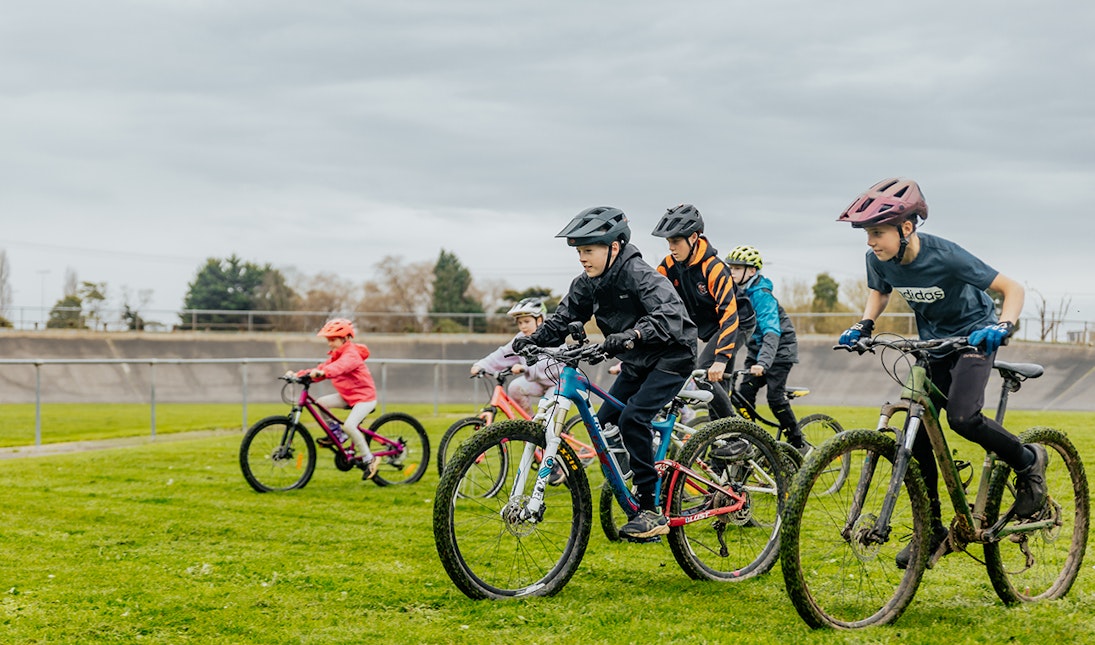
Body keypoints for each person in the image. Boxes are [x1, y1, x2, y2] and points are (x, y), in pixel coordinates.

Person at [836, 177, 1044, 569]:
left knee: (963, 418)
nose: (870, 242)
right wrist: (864, 324)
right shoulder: (878, 259)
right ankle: (930, 527)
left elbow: (1011, 288)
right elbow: (879, 291)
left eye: (877, 233)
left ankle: (1028, 460)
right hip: (931, 346)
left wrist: (1003, 326)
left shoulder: (945, 255)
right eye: (867, 234)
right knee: (915, 433)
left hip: (973, 341)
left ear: (907, 228)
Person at [513, 206, 697, 540]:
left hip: (672, 355)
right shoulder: (587, 284)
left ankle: (649, 508)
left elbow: (669, 315)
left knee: (633, 420)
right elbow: (561, 320)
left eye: (589, 250)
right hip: (637, 359)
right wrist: (532, 340)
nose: (582, 258)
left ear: (614, 247)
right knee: (606, 420)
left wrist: (632, 335)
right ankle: (643, 473)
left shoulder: (639, 274)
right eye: (579, 251)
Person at [651, 203, 744, 420]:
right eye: (668, 242)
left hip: (736, 322)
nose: (671, 248)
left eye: (675, 241)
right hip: (705, 327)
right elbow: (652, 302)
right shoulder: (668, 265)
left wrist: (721, 358)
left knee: (704, 373)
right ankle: (721, 442)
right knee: (716, 388)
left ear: (693, 238)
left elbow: (730, 315)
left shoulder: (714, 268)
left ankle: (735, 435)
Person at [723, 244, 805, 450]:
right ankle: (752, 440)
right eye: (730, 268)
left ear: (751, 271)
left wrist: (763, 363)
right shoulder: (737, 293)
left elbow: (771, 331)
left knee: (775, 398)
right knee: (743, 396)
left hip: (779, 352)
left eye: (736, 268)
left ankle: (798, 442)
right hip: (757, 351)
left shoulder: (762, 295)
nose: (731, 272)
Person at [295, 318, 380, 480]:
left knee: (349, 425)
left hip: (364, 398)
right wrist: (299, 375)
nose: (329, 343)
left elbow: (339, 367)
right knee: (321, 402)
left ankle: (370, 459)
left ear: (345, 338)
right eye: (328, 340)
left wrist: (324, 373)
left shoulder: (351, 354)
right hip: (348, 397)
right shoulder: (336, 355)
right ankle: (337, 434)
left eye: (333, 339)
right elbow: (323, 368)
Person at [470, 297, 559, 414]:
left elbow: (550, 363)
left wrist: (524, 367)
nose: (523, 326)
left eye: (527, 322)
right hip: (538, 382)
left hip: (558, 384)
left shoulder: (552, 336)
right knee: (514, 388)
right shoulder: (520, 338)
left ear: (540, 320)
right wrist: (482, 365)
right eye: (520, 322)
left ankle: (544, 427)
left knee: (545, 415)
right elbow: (502, 354)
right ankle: (531, 425)